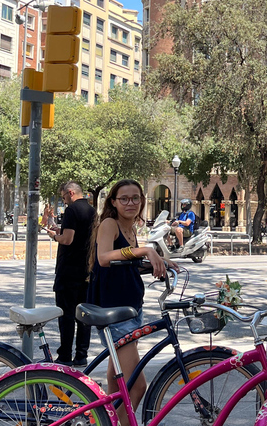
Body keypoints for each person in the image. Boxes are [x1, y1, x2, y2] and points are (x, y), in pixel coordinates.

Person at [88, 179, 171, 423]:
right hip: (114, 312)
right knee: (136, 387)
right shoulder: (109, 224)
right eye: (124, 198)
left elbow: (124, 265)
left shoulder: (130, 228)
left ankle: (108, 419)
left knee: (117, 384)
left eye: (136, 198)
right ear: (113, 201)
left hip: (131, 309)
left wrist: (159, 263)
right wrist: (146, 250)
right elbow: (104, 257)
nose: (130, 203)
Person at [46, 181, 95, 367]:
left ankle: (65, 354)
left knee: (66, 315)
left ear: (71, 193)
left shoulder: (71, 210)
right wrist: (62, 231)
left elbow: (67, 239)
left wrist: (54, 235)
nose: (64, 201)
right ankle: (82, 354)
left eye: (64, 197)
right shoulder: (92, 211)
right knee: (84, 315)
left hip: (68, 271)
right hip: (86, 270)